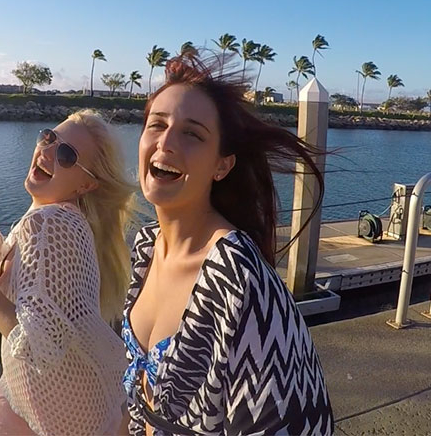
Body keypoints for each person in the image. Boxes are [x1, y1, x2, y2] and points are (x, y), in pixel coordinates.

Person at [122, 54, 334, 435]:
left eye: (192, 133)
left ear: (222, 165)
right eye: (157, 125)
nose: (165, 143)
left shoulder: (240, 279)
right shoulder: (145, 247)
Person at [0, 109, 136, 436]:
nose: (46, 151)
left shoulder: (48, 224)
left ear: (86, 183)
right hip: (28, 390)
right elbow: (25, 299)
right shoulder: (50, 219)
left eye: (65, 154)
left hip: (59, 407)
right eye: (49, 137)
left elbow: (37, 346)